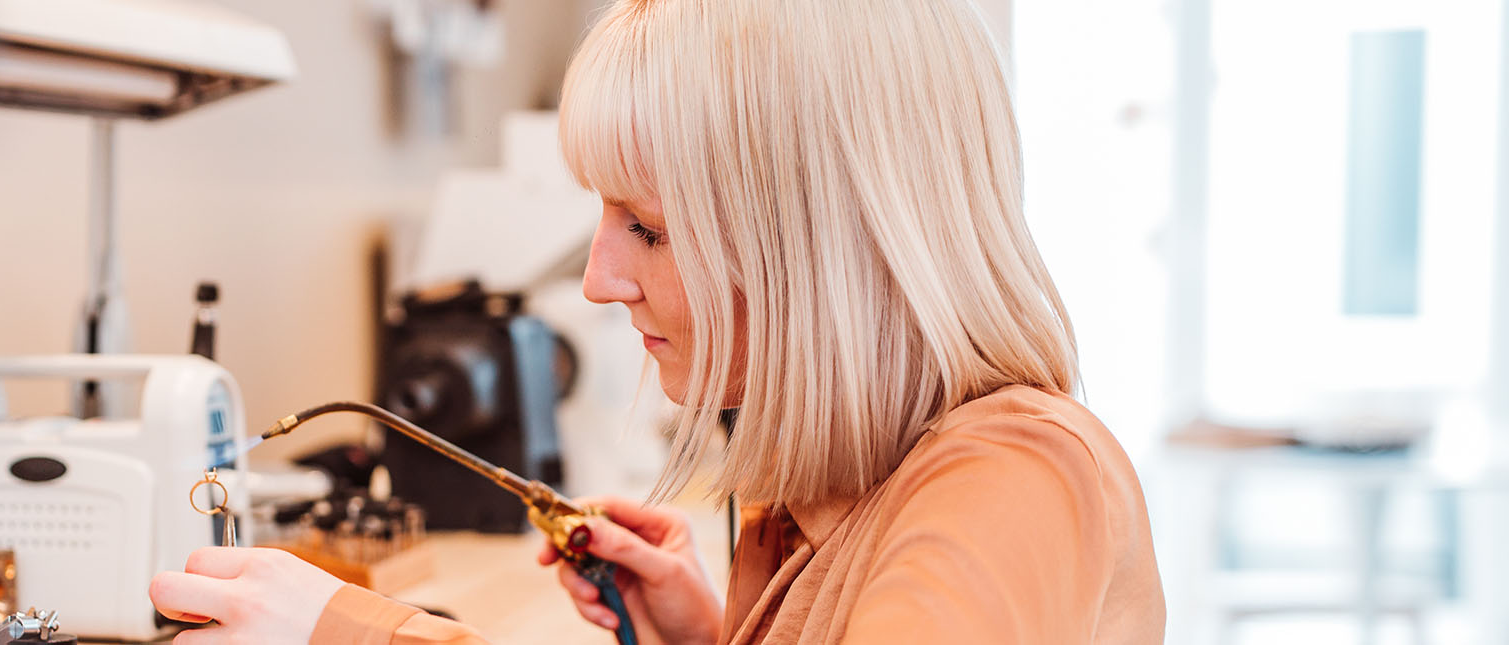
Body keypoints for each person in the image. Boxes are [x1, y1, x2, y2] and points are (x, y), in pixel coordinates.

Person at [146, 0, 1165, 642]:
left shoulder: (1018, 475)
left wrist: (352, 631)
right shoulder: (827, 498)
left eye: (645, 227)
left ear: (821, 243)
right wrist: (709, 634)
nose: (597, 279)